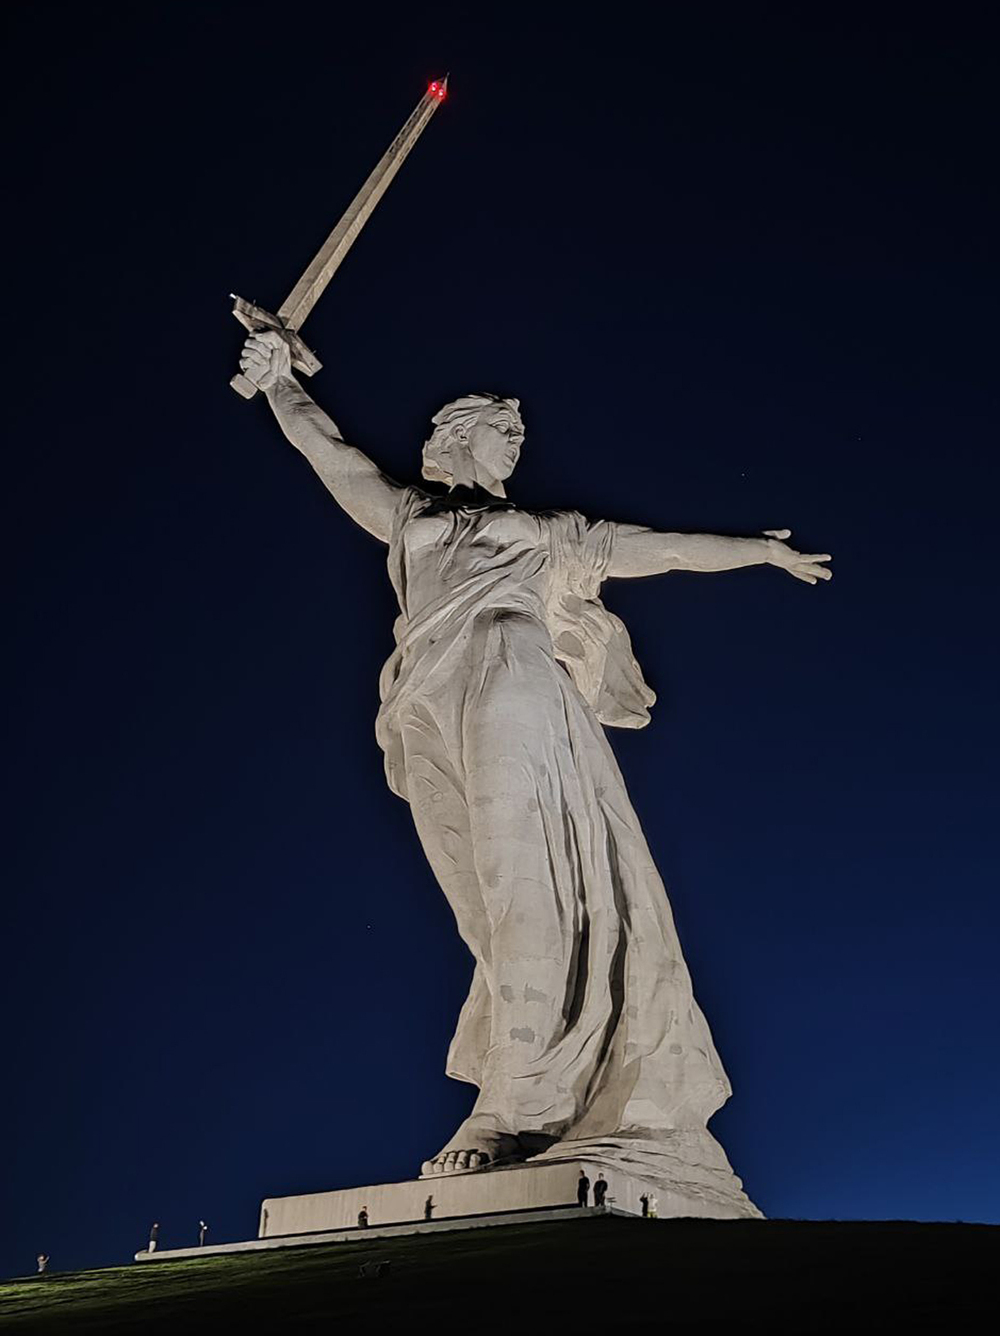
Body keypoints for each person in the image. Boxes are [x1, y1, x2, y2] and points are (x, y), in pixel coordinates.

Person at [239, 334, 832, 1178]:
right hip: (423, 697)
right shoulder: (409, 514)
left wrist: (759, 550)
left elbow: (661, 547)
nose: (517, 443)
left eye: (519, 435)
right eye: (503, 429)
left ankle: (513, 1105)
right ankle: (533, 1075)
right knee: (477, 897)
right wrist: (278, 382)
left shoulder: (546, 530)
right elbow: (331, 453)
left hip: (511, 674)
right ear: (455, 436)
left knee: (524, 879)